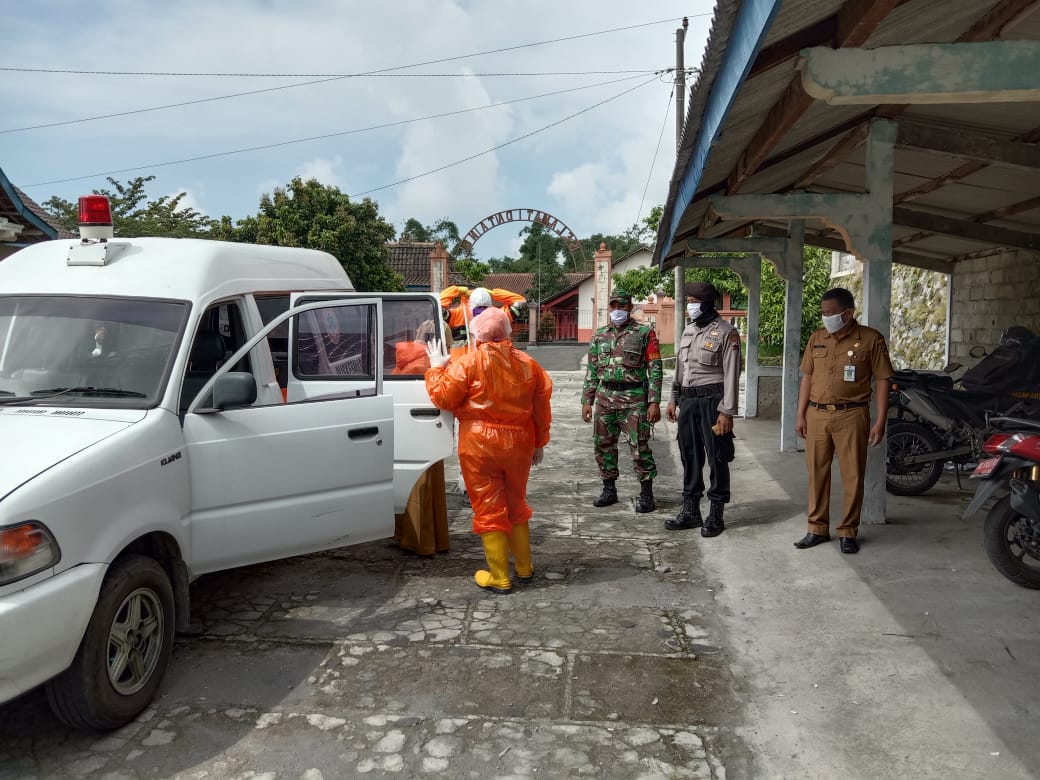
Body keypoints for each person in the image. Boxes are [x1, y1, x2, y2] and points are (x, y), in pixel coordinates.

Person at [424, 306, 553, 594]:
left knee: (489, 507)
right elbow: (542, 405)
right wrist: (539, 442)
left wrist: (435, 367)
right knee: (516, 504)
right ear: (508, 332)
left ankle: (499, 576)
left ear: (477, 335)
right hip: (519, 442)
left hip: (479, 443)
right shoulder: (528, 364)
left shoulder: (468, 363)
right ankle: (524, 568)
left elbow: (444, 397)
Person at [794, 287, 894, 554]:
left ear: (848, 313)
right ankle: (816, 528)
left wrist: (881, 419)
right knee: (817, 473)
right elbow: (807, 378)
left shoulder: (871, 339)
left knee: (853, 475)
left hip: (852, 414)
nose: (825, 317)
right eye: (823, 313)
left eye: (830, 313)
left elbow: (883, 379)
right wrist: (800, 414)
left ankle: (848, 531)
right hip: (817, 414)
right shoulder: (817, 338)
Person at [665, 282, 741, 537]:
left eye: (694, 301)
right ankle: (691, 511)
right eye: (689, 301)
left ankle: (716, 515)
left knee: (717, 457)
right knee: (690, 456)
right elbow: (680, 369)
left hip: (712, 402)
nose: (690, 306)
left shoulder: (726, 332)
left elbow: (731, 374)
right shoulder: (688, 331)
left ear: (708, 304)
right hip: (688, 401)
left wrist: (727, 411)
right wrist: (673, 399)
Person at [581, 289, 663, 513]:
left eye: (622, 306)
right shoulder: (599, 335)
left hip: (634, 399)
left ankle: (646, 493)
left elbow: (655, 369)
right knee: (603, 445)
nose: (617, 310)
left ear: (630, 307)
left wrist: (654, 402)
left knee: (639, 446)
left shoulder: (645, 333)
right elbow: (592, 370)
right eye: (613, 306)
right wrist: (586, 400)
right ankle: (609, 489)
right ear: (609, 308)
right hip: (605, 399)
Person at [439, 285, 526, 346]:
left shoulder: (454, 315)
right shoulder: (499, 317)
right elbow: (520, 301)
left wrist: (456, 290)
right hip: (464, 369)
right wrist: (493, 293)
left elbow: (437, 305)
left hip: (464, 368)